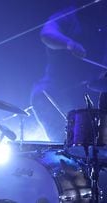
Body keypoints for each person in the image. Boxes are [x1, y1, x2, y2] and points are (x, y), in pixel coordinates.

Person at [30, 1, 107, 142]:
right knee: (69, 146)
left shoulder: (102, 21)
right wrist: (69, 44)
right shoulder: (70, 15)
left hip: (88, 97)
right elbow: (47, 33)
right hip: (54, 95)